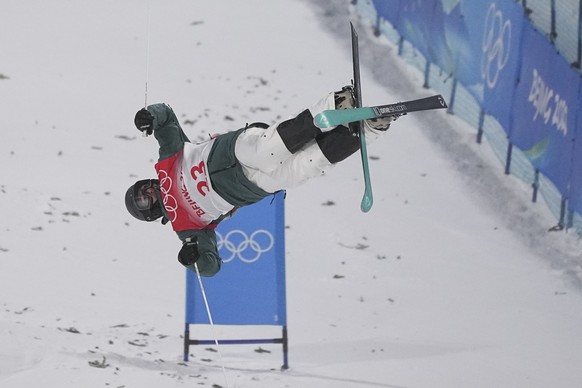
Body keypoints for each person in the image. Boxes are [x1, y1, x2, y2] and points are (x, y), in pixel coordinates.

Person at [125, 86, 394, 277]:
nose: (148, 192)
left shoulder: (167, 161)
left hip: (232, 150)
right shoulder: (185, 229)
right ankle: (364, 130)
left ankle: (336, 104)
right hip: (250, 186)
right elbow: (212, 265)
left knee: (267, 152)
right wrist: (194, 261)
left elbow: (166, 119)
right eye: (143, 199)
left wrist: (149, 116)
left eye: (142, 188)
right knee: (302, 169)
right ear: (150, 213)